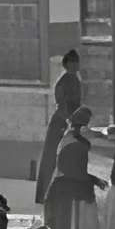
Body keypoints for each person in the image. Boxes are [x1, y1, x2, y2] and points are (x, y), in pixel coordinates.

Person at [42, 113, 103, 229]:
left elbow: (78, 170)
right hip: (66, 193)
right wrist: (93, 180)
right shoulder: (73, 144)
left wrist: (93, 179)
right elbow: (73, 171)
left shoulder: (71, 139)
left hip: (71, 191)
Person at [33, 47, 83, 202]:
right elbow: (62, 105)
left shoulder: (75, 80)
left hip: (72, 121)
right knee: (52, 157)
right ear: (67, 64)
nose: (75, 66)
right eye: (72, 63)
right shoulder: (64, 81)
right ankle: (46, 194)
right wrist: (70, 122)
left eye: (77, 63)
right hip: (61, 122)